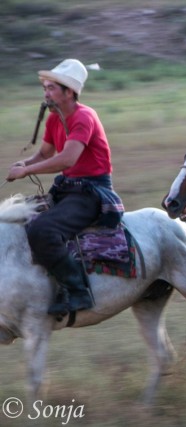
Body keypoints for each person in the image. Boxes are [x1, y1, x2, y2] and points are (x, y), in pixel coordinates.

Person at [6, 58, 124, 315]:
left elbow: (67, 159)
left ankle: (79, 291)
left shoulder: (84, 117)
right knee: (18, 218)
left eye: (51, 88)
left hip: (93, 193)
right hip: (69, 189)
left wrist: (26, 170)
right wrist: (24, 163)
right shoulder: (54, 119)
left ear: (69, 92)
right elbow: (45, 154)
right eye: (45, 88)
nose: (46, 93)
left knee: (42, 230)